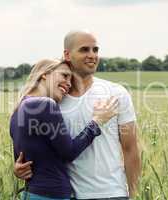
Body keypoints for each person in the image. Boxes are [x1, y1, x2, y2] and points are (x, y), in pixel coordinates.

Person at [14, 30, 141, 199]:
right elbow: (37, 146)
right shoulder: (56, 100)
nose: (92, 55)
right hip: (70, 194)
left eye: (95, 50)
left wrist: (133, 193)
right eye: (84, 50)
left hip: (111, 193)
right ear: (67, 54)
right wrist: (19, 168)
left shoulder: (116, 93)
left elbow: (130, 148)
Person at [10, 59, 119, 200]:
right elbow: (69, 152)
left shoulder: (18, 110)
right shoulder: (45, 104)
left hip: (31, 193)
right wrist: (97, 121)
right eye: (64, 76)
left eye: (71, 80)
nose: (68, 84)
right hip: (51, 195)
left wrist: (17, 170)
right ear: (44, 74)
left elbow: (22, 160)